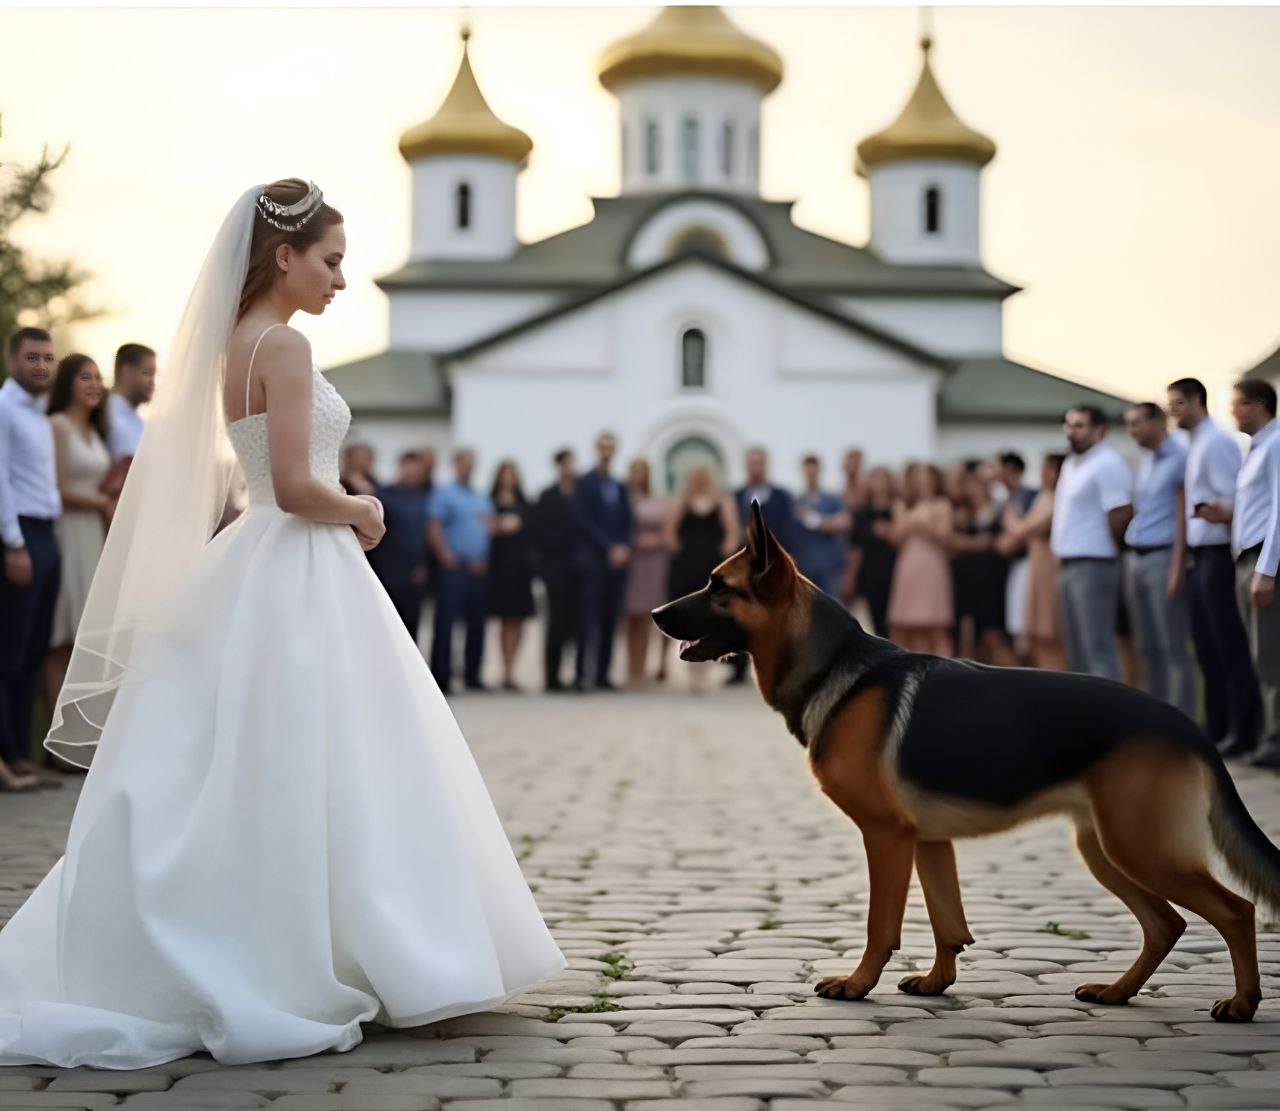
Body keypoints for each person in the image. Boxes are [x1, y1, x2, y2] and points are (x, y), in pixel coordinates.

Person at [0, 179, 563, 1069]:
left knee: (256, 753)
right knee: (337, 749)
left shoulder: (232, 346)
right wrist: (365, 506)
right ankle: (344, 944)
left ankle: (265, 928)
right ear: (284, 256)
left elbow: (257, 476)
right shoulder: (285, 348)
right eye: (331, 260)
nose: (342, 278)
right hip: (300, 551)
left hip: (257, 555)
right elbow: (298, 486)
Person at [1169, 376, 1260, 757]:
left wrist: (1216, 512)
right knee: (1207, 648)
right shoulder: (1197, 442)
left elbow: (1233, 498)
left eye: (1177, 404)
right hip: (1200, 555)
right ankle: (1219, 728)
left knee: (1229, 647)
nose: (1172, 411)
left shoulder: (1218, 441)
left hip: (1219, 554)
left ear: (1195, 401)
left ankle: (1244, 732)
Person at [0, 327, 62, 792]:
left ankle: (21, 754)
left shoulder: (39, 413)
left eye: (47, 357)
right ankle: (10, 757)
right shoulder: (4, 408)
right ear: (11, 360)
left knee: (33, 650)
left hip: (46, 530)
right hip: (19, 533)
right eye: (32, 357)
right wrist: (13, 542)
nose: (41, 365)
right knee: (10, 650)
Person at [44, 355, 113, 729]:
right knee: (62, 638)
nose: (94, 384)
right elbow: (58, 488)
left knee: (84, 639)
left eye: (98, 378)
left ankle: (80, 731)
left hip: (94, 536)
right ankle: (55, 738)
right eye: (85, 377)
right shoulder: (57, 425)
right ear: (68, 382)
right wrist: (105, 502)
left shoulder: (95, 431)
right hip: (68, 532)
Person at [1121, 402, 1195, 717]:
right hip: (1136, 558)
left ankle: (1183, 720)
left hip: (1163, 557)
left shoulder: (1179, 457)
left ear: (1156, 422)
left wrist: (1177, 567)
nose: (1131, 430)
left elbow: (1183, 516)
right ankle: (1157, 719)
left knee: (1173, 645)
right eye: (1129, 423)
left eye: (1137, 423)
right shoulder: (1148, 460)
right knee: (1147, 645)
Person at [1049, 406, 1133, 679]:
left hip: (1094, 563)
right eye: (1069, 424)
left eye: (1079, 425)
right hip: (1069, 562)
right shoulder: (1073, 463)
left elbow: (1120, 512)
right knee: (1076, 651)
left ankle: (1110, 715)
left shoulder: (1107, 462)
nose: (1071, 431)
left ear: (1099, 430)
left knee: (1097, 647)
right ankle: (1086, 715)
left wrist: (1110, 551)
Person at [1228, 378, 1280, 767]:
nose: (1234, 410)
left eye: (1240, 404)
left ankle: (1276, 739)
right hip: (1246, 559)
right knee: (1257, 653)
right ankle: (1269, 734)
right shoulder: (1256, 448)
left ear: (1260, 404)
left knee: (1270, 654)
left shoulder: (1276, 444)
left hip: (1264, 560)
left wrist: (1267, 570)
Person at [665, 464, 739, 690]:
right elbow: (669, 532)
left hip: (711, 567)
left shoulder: (723, 500)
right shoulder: (682, 500)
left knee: (710, 620)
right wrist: (682, 552)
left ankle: (702, 670)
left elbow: (732, 533)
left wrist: (723, 557)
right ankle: (690, 668)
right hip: (686, 567)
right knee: (688, 620)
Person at [427, 448, 495, 693]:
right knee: (446, 622)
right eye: (465, 463)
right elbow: (434, 525)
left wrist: (484, 556)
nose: (469, 467)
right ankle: (441, 676)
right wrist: (444, 554)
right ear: (455, 464)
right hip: (454, 567)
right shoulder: (445, 493)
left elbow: (487, 527)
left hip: (477, 568)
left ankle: (472, 675)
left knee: (477, 623)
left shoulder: (480, 496)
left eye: (472, 463)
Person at [727, 447, 794, 683]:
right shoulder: (734, 495)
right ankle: (738, 669)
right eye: (751, 463)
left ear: (766, 465)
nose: (756, 468)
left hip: (770, 566)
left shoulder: (782, 496)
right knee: (741, 617)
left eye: (759, 463)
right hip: (742, 568)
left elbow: (787, 531)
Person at [574, 431, 632, 691]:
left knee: (610, 619)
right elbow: (584, 521)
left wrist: (624, 547)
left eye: (611, 447)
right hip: (593, 561)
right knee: (588, 620)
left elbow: (627, 521)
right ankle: (581, 674)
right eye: (603, 447)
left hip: (616, 564)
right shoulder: (584, 483)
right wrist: (608, 547)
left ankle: (602, 674)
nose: (607, 451)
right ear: (597, 449)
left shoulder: (620, 486)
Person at [1000, 453, 1067, 670]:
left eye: (1047, 468)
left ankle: (1059, 679)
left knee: (1050, 632)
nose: (1043, 473)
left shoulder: (1057, 497)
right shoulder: (1043, 496)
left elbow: (1023, 528)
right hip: (1037, 567)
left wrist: (1010, 518)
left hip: (1050, 567)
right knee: (1036, 632)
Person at [951, 464, 1017, 665]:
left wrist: (970, 543)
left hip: (993, 579)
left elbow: (999, 542)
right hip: (968, 580)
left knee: (994, 635)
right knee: (974, 638)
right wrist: (980, 543)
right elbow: (953, 542)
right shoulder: (962, 514)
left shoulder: (1002, 507)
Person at [886, 462, 954, 656]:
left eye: (926, 479)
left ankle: (944, 669)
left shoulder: (942, 504)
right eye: (918, 479)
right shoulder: (905, 505)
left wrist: (922, 525)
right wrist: (904, 518)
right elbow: (896, 538)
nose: (922, 483)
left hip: (931, 564)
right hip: (909, 564)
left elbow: (946, 537)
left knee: (934, 624)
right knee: (908, 624)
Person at [367, 450, 431, 645]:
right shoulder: (383, 495)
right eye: (407, 467)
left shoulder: (427, 497)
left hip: (414, 575)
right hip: (387, 572)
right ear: (400, 467)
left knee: (411, 628)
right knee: (386, 627)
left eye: (416, 469)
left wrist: (425, 565)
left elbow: (429, 536)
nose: (411, 472)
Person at [531, 448, 579, 691]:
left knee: (574, 623)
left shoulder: (581, 493)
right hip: (554, 568)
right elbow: (539, 532)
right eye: (566, 463)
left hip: (577, 569)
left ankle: (572, 673)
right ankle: (551, 676)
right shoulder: (547, 496)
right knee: (555, 623)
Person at [486, 459, 535, 692]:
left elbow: (534, 532)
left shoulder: (525, 504)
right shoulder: (489, 502)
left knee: (519, 619)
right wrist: (498, 526)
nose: (509, 478)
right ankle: (503, 669)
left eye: (512, 473)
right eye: (505, 473)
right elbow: (483, 528)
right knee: (504, 619)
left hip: (520, 568)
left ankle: (512, 669)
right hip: (500, 567)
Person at [621, 458, 670, 685]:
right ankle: (630, 668)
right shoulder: (623, 499)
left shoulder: (659, 501)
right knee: (629, 617)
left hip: (654, 563)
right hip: (631, 562)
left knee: (646, 617)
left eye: (642, 471)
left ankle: (641, 669)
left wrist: (658, 542)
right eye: (634, 470)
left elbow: (668, 530)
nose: (637, 475)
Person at [846, 465, 897, 639]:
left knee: (895, 618)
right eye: (874, 479)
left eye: (882, 479)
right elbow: (856, 547)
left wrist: (890, 531)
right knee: (876, 618)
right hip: (871, 571)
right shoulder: (863, 513)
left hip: (895, 569)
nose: (879, 484)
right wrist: (851, 575)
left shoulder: (898, 508)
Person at [791, 455, 850, 597]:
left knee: (831, 609)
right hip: (804, 568)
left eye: (814, 472)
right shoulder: (796, 501)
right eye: (808, 472)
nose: (811, 475)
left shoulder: (832, 499)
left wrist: (815, 520)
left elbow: (844, 522)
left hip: (828, 568)